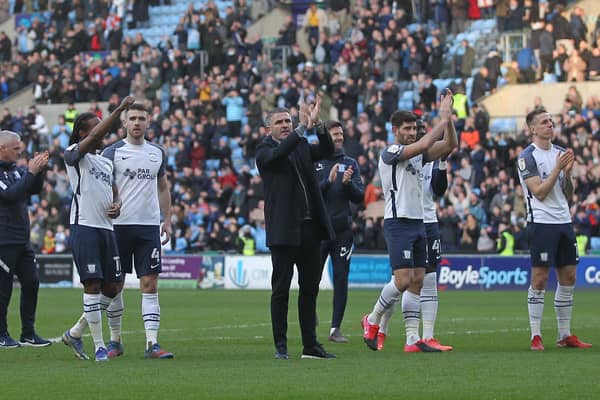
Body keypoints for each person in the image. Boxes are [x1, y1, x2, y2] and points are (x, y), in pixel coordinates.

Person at [361, 90, 457, 353]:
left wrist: (449, 122)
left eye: (414, 128)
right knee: (402, 280)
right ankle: (371, 319)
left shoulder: (416, 154)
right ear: (395, 130)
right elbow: (426, 145)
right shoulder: (391, 151)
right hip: (399, 222)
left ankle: (413, 339)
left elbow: (448, 146)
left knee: (417, 279)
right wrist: (443, 117)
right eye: (407, 128)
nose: (411, 132)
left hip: (418, 223)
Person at [256, 97, 337, 360]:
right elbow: (280, 154)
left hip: (310, 230)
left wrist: (319, 125)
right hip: (283, 231)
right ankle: (281, 346)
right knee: (280, 291)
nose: (285, 126)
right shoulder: (264, 151)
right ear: (269, 129)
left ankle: (310, 345)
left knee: (309, 289)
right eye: (279, 122)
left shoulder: (301, 145)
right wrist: (302, 130)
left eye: (288, 122)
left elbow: (325, 150)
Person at [61, 96, 134, 361]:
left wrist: (117, 203)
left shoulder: (104, 161)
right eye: (95, 127)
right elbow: (96, 135)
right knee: (92, 284)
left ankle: (75, 332)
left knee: (113, 286)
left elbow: (113, 189)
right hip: (85, 227)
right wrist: (119, 109)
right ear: (83, 132)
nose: (101, 131)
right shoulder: (73, 153)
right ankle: (99, 346)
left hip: (106, 228)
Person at [100, 103, 174, 359]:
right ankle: (115, 340)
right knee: (114, 285)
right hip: (118, 227)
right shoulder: (112, 152)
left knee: (150, 283)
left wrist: (168, 219)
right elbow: (101, 187)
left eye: (141, 118)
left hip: (148, 227)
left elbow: (163, 187)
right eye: (132, 118)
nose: (137, 122)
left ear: (148, 122)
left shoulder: (157, 152)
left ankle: (152, 343)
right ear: (124, 123)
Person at [517, 108, 592, 351]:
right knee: (539, 278)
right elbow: (539, 192)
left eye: (551, 121)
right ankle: (535, 334)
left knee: (569, 278)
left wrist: (567, 175)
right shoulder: (527, 157)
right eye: (544, 122)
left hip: (563, 221)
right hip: (541, 223)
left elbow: (567, 195)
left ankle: (564, 334)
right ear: (532, 129)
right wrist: (559, 169)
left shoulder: (561, 154)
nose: (550, 125)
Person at [314, 120, 364, 343]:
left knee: (341, 279)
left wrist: (347, 184)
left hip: (342, 231)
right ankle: (310, 313)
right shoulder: (315, 162)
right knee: (311, 278)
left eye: (341, 133)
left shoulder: (350, 162)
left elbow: (359, 197)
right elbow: (310, 194)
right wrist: (328, 181)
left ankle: (335, 329)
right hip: (318, 231)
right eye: (335, 133)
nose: (339, 137)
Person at [0, 130, 50, 348]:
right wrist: (30, 172)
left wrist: (39, 171)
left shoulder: (17, 171)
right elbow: (10, 195)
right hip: (4, 240)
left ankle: (28, 333)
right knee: (3, 289)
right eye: (16, 149)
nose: (20, 152)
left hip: (22, 240)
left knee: (32, 283)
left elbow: (33, 189)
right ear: (2, 149)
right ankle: (1, 333)